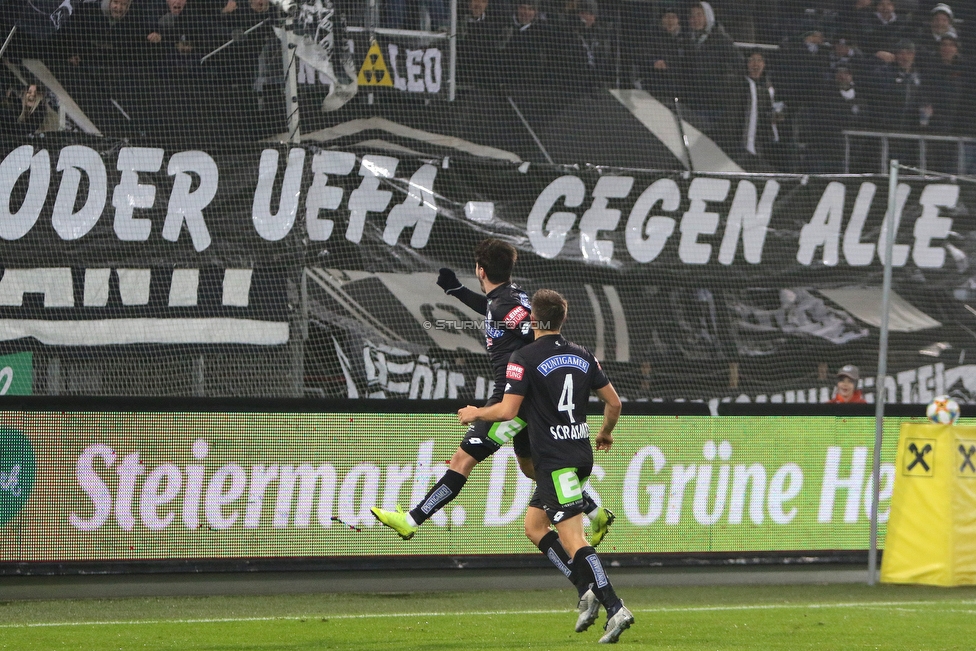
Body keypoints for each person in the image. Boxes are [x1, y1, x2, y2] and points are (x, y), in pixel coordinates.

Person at [371, 241, 614, 546]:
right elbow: (497, 311)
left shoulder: (505, 305)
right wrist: (456, 291)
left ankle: (410, 520)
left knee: (462, 460)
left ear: (480, 270)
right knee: (529, 468)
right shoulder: (508, 296)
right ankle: (595, 512)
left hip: (512, 399)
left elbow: (530, 330)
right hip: (524, 398)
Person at [458, 289, 632, 643]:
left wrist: (476, 412)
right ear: (563, 319)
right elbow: (613, 403)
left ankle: (615, 607)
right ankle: (586, 589)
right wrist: (606, 434)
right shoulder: (583, 355)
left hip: (554, 462)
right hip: (580, 453)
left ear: (532, 320)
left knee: (574, 539)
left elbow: (506, 412)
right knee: (534, 526)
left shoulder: (523, 356)